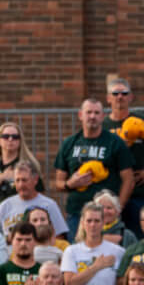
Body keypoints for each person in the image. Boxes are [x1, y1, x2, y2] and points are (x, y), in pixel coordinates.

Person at [50, 97, 131, 227]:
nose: (92, 116)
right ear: (80, 115)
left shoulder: (115, 142)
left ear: (103, 116)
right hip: (77, 213)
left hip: (106, 215)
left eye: (96, 113)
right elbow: (58, 183)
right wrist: (70, 184)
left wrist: (118, 207)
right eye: (88, 112)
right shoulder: (69, 143)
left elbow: (128, 179)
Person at [105, 77, 144, 235]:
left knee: (139, 237)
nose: (120, 96)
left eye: (124, 93)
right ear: (108, 98)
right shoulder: (103, 126)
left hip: (137, 192)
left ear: (130, 97)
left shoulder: (141, 121)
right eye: (115, 93)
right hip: (109, 194)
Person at [0, 162, 68, 253]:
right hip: (10, 256)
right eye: (17, 180)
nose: (21, 185)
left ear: (35, 180)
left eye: (24, 180)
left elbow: (59, 236)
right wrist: (8, 238)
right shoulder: (5, 205)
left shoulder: (49, 205)